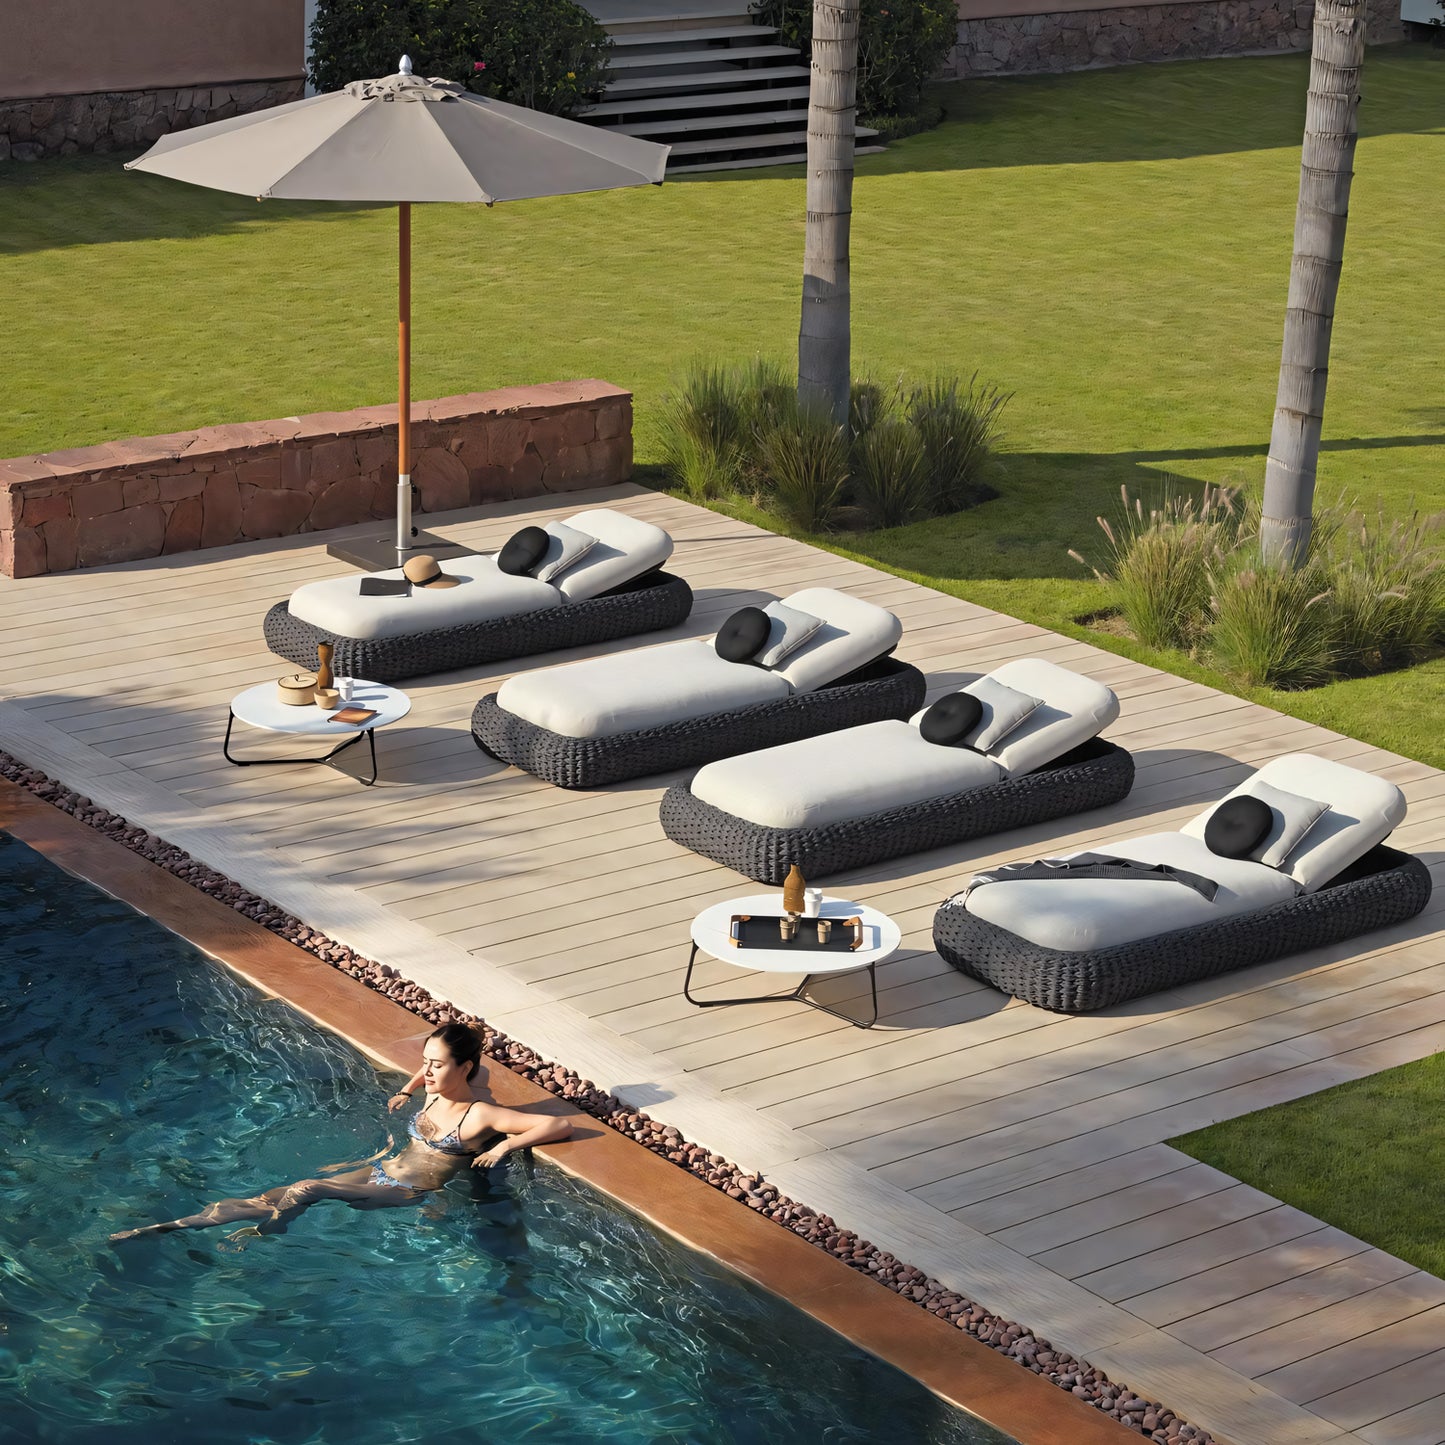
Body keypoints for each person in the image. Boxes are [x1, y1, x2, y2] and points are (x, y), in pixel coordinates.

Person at [109, 1023, 571, 1244]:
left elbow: (560, 1123)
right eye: (425, 1062)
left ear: (465, 1068)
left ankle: (261, 1236)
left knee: (305, 1188)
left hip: (406, 1191)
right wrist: (407, 1090)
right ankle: (166, 1227)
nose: (426, 1071)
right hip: (379, 1170)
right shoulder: (438, 1086)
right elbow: (428, 1073)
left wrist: (509, 1145)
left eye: (436, 1065)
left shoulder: (481, 1113)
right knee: (271, 1194)